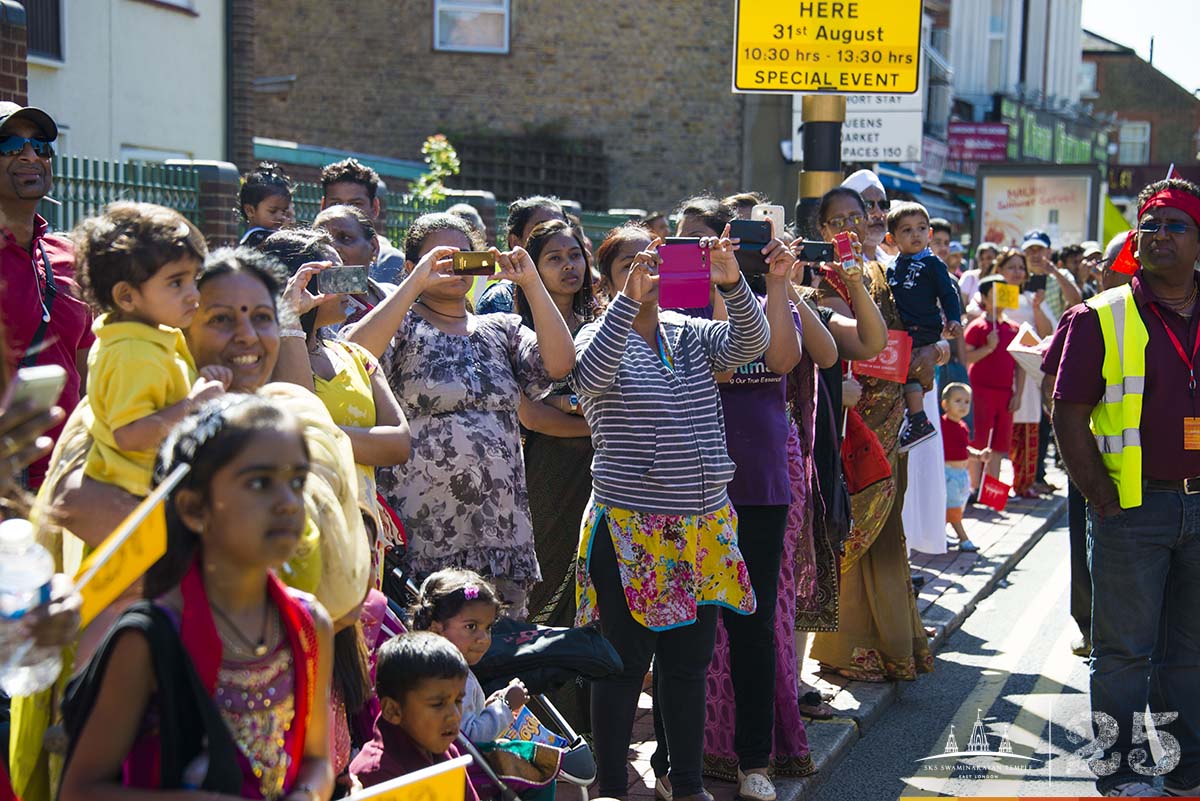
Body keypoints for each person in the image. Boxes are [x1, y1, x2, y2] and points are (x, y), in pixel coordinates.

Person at [571, 221, 768, 801]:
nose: (645, 268)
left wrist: (733, 284)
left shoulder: (688, 331)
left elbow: (749, 345)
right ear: (606, 280)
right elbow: (590, 378)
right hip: (632, 527)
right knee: (624, 666)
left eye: (653, 258)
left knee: (688, 665)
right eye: (628, 263)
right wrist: (622, 310)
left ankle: (686, 786)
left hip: (703, 527)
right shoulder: (595, 335)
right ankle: (610, 787)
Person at [58, 396, 335, 801]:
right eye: (260, 483)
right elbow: (80, 791)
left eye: (296, 481)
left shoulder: (310, 625)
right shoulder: (149, 638)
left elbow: (317, 760)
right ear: (193, 509)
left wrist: (306, 795)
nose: (288, 502)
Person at [663, 196, 828, 799]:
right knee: (679, 623)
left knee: (753, 625)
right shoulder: (665, 309)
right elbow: (720, 372)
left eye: (708, 239)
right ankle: (672, 761)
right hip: (685, 483)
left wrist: (778, 285)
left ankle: (755, 760)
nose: (698, 251)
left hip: (757, 480)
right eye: (684, 241)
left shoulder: (761, 303)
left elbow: (784, 359)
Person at [345, 212, 575, 617]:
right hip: (423, 532)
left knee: (497, 654)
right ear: (411, 265)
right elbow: (356, 355)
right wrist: (414, 283)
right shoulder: (402, 325)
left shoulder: (500, 328)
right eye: (440, 258)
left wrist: (531, 282)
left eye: (464, 256)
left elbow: (558, 364)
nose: (454, 266)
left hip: (500, 534)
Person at [1051, 178, 1200, 798]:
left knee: (1189, 654)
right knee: (1121, 654)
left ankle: (1185, 769)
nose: (1159, 236)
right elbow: (1068, 414)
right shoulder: (1099, 315)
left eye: (1176, 226)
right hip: (1132, 509)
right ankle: (1113, 771)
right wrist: (1103, 501)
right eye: (1151, 226)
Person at [809, 185, 940, 683]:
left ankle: (895, 644)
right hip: (847, 415)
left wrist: (935, 351)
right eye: (836, 218)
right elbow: (833, 342)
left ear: (871, 220)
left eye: (855, 216)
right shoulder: (822, 277)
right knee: (847, 523)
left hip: (892, 416)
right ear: (822, 229)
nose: (847, 225)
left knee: (888, 530)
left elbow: (916, 331)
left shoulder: (889, 269)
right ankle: (848, 646)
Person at [75, 202, 228, 498]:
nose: (193, 295)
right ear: (126, 296)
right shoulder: (132, 352)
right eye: (176, 283)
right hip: (140, 504)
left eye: (194, 279)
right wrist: (192, 405)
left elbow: (159, 400)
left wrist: (199, 384)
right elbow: (129, 435)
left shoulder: (148, 337)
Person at [0, 102, 94, 491]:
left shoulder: (69, 255)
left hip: (68, 478)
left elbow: (85, 366)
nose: (29, 155)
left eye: (40, 146)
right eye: (9, 145)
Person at [508, 220, 598, 625]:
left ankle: (589, 685)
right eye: (555, 258)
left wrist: (566, 402)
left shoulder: (605, 326)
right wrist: (600, 424)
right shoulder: (517, 332)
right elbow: (532, 416)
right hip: (546, 471)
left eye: (575, 255)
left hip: (604, 474)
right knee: (547, 577)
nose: (568, 266)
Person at [349, 632, 479, 801]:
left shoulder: (447, 752)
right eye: (438, 704)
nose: (454, 716)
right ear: (393, 711)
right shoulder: (376, 774)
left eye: (458, 700)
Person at [411, 569, 529, 743]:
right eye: (471, 627)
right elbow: (468, 739)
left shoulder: (430, 670)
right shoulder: (451, 678)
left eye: (488, 628)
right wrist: (505, 706)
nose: (484, 639)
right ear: (436, 630)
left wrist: (488, 708)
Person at [883, 201, 963, 452]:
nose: (915, 234)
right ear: (892, 238)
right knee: (908, 372)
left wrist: (954, 319)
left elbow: (949, 294)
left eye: (920, 228)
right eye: (906, 230)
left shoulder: (932, 263)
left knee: (911, 369)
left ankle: (918, 420)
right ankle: (915, 418)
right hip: (902, 330)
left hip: (923, 328)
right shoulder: (893, 266)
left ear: (929, 233)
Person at [962, 276, 1021, 495]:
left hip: (1005, 393)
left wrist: (1019, 393)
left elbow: (1020, 365)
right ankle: (973, 489)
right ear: (985, 297)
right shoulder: (978, 326)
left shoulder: (1014, 329)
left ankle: (991, 494)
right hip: (980, 391)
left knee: (999, 447)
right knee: (978, 442)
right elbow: (966, 356)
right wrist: (988, 348)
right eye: (996, 293)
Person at [476, 196, 568, 314]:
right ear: (515, 242)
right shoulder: (501, 300)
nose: (556, 236)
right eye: (542, 228)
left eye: (561, 228)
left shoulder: (578, 292)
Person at [320, 158, 398, 285]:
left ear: (375, 208)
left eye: (355, 204)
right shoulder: (309, 258)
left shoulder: (394, 265)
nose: (344, 212)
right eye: (336, 203)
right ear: (323, 207)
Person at [940, 383, 978, 552]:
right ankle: (963, 539)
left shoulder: (963, 426)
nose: (963, 405)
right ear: (945, 404)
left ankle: (939, 534)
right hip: (947, 473)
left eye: (967, 401)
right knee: (953, 507)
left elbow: (964, 448)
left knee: (953, 507)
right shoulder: (942, 424)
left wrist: (979, 455)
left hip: (961, 473)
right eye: (958, 401)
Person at [1021, 229, 1082, 317]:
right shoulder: (1018, 277)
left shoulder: (1062, 275)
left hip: (1054, 330)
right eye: (1030, 249)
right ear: (1024, 253)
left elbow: (1076, 301)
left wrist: (1055, 273)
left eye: (1039, 249)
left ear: (1049, 252)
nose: (1035, 254)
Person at [238, 162, 293, 247]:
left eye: (284, 211)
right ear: (250, 211)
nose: (280, 217)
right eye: (272, 211)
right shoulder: (257, 239)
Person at [841, 169, 891, 262]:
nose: (878, 213)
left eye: (883, 205)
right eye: (868, 205)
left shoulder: (893, 266)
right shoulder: (836, 265)